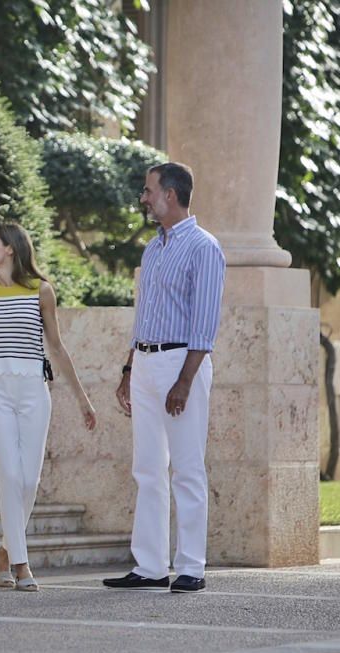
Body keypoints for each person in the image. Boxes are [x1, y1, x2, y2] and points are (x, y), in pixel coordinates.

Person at [103, 162, 225, 594]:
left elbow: (204, 325)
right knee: (148, 468)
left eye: (149, 190)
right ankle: (151, 566)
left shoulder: (204, 248)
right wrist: (128, 369)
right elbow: (144, 319)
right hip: (146, 364)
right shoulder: (152, 250)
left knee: (187, 467)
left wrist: (185, 381)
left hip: (181, 365)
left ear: (170, 195)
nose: (144, 198)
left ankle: (192, 565)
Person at [0, 222, 97, 592]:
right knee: (8, 475)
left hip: (33, 390)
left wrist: (83, 400)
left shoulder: (41, 291)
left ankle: (3, 555)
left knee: (28, 479)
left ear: (10, 249)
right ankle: (22, 565)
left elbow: (57, 348)